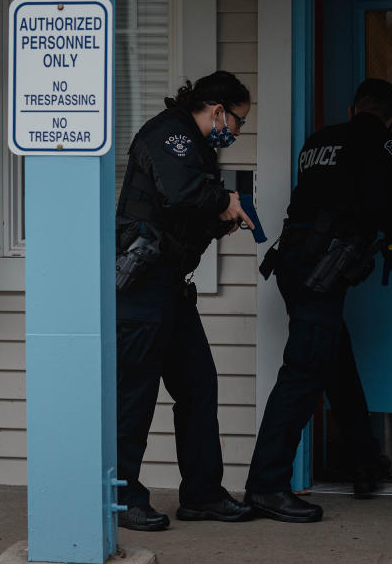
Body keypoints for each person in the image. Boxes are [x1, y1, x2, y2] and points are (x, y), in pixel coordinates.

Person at [244, 78, 392, 522]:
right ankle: (266, 485)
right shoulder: (385, 143)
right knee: (304, 371)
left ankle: (364, 459)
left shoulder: (319, 140)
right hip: (324, 267)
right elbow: (383, 207)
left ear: (353, 109)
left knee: (334, 357)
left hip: (293, 263)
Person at [114, 71, 257, 531]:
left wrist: (222, 218)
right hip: (142, 287)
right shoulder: (170, 134)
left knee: (198, 387)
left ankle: (202, 495)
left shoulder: (196, 148)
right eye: (237, 122)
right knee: (133, 396)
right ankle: (122, 497)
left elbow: (182, 213)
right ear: (217, 110)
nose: (236, 132)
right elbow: (181, 192)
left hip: (171, 289)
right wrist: (224, 199)